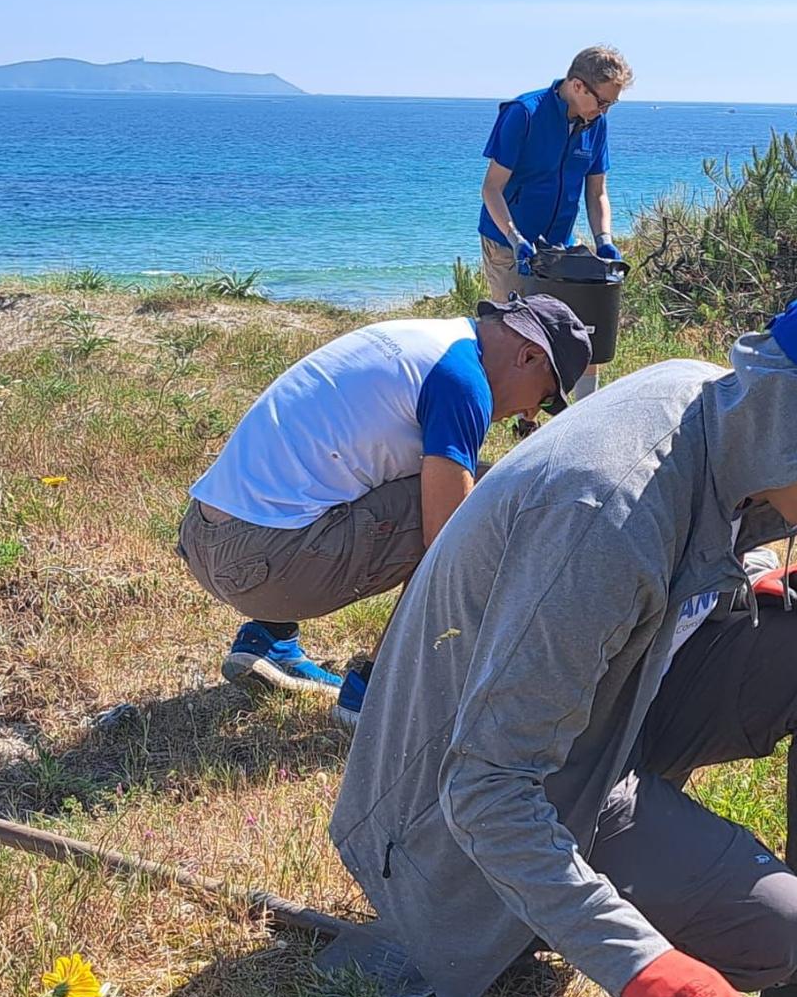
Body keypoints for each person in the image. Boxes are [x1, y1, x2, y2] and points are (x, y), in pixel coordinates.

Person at [329, 291, 797, 997]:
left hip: (591, 725)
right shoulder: (604, 515)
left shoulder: (713, 405)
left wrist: (740, 566)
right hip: (441, 816)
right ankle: (535, 928)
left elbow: (680, 534)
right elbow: (485, 786)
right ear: (793, 419)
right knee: (773, 926)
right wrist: (646, 969)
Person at [178, 297, 593, 728]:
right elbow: (448, 539)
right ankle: (381, 691)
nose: (528, 415)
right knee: (483, 502)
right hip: (260, 562)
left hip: (206, 537)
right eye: (543, 399)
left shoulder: (426, 339)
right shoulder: (462, 383)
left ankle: (270, 638)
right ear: (529, 355)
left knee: (408, 478)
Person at [478, 45, 631, 304]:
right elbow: (491, 189)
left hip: (559, 248)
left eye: (611, 104)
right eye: (602, 102)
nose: (605, 111)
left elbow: (597, 192)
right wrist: (516, 240)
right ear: (577, 86)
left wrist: (604, 239)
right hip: (508, 244)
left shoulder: (597, 125)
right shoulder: (523, 113)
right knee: (514, 330)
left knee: (556, 329)